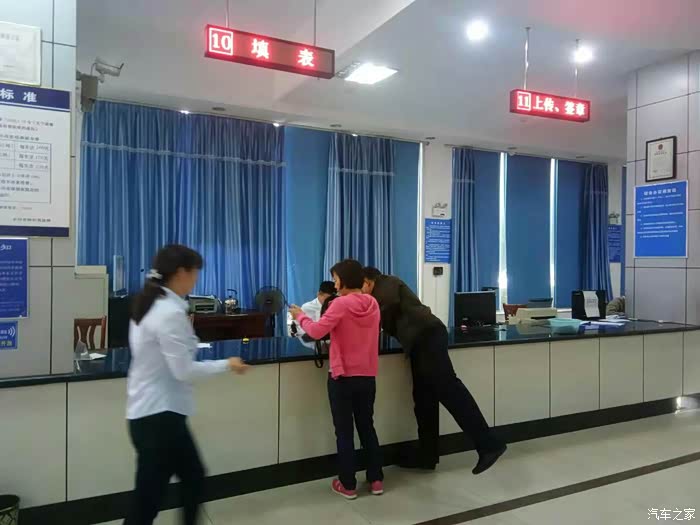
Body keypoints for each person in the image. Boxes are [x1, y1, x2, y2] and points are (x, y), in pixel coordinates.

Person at [125, 244, 249, 525]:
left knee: (190, 478)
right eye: (195, 273)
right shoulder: (168, 312)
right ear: (181, 273)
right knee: (149, 501)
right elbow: (182, 370)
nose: (196, 280)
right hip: (159, 417)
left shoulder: (148, 305)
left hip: (151, 413)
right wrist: (226, 364)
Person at [362, 267, 506, 475]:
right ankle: (427, 455)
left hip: (427, 336)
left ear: (368, 281)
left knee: (450, 390)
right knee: (423, 400)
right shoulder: (381, 291)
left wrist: (365, 310)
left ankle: (489, 445)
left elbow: (388, 304)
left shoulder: (387, 282)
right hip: (417, 342)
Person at [289, 259, 384, 500]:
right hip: (367, 376)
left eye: (335, 279)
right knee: (367, 427)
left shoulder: (340, 304)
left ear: (343, 280)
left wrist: (300, 316)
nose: (334, 284)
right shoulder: (372, 302)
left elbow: (316, 331)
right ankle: (376, 480)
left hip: (342, 377)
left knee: (344, 432)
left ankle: (348, 484)